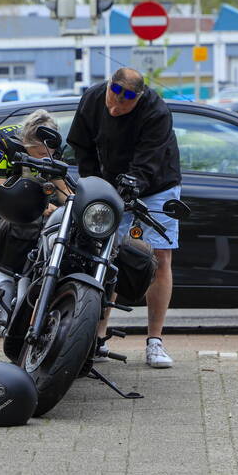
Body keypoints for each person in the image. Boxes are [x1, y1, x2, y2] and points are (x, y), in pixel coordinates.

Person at [66, 67, 182, 368]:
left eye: (124, 106)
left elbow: (149, 160)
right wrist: (95, 183)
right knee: (105, 254)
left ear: (139, 98)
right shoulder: (92, 98)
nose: (115, 109)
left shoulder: (155, 112)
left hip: (156, 184)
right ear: (108, 88)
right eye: (111, 101)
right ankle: (97, 338)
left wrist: (133, 185)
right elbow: (81, 144)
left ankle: (155, 341)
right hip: (109, 181)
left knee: (159, 256)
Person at [0, 109, 67, 369]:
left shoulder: (51, 145)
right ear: (28, 144)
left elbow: (60, 182)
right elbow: (0, 195)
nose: (46, 158)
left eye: (50, 152)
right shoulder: (3, 144)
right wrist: (40, 208)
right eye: (40, 154)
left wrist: (77, 205)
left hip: (22, 199)